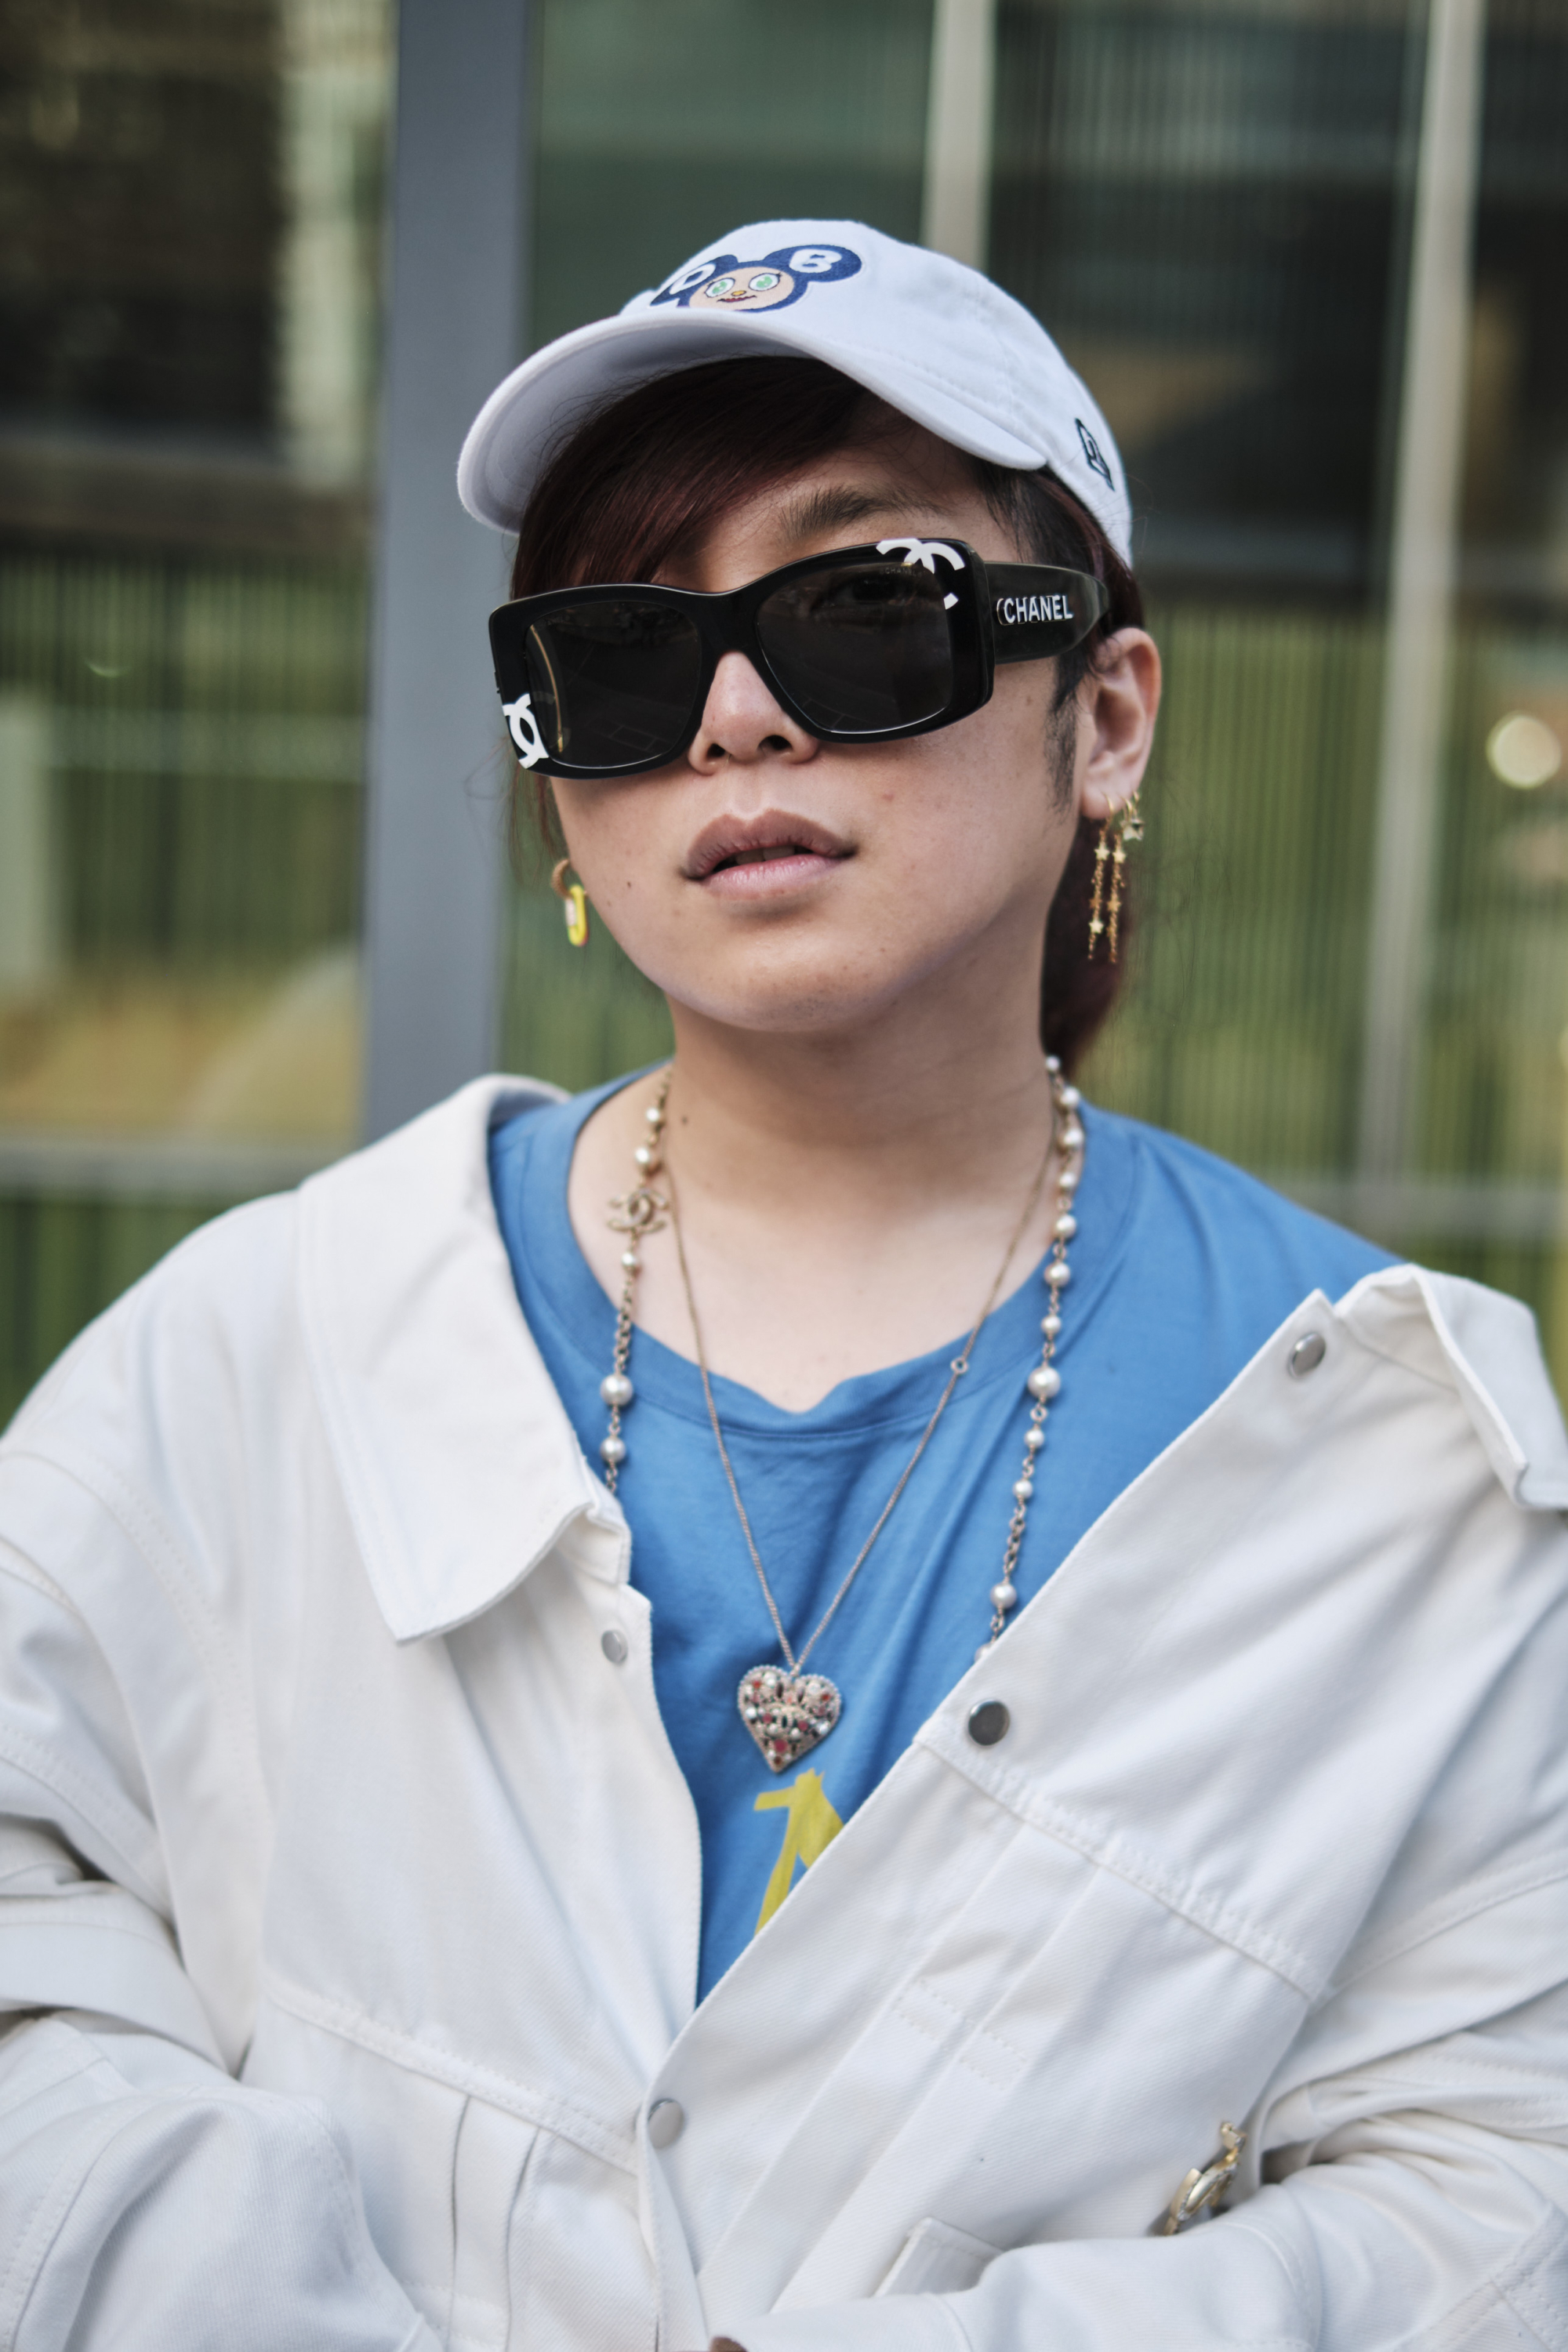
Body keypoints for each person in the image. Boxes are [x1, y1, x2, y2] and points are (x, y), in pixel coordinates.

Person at [0, 218, 1565, 2352]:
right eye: (621, 655)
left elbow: (1492, 2190)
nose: (734, 717)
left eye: (863, 611)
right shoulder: (267, 1347)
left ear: (1106, 716)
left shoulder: (1400, 1458)